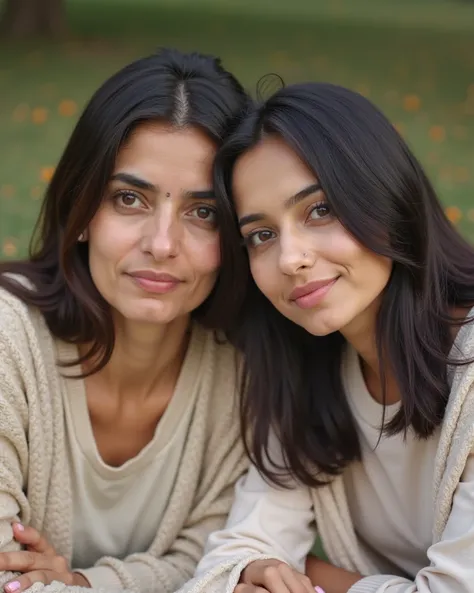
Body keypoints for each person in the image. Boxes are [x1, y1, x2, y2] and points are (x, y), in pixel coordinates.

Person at [181, 81, 474, 593]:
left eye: (320, 210)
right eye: (261, 235)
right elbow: (236, 551)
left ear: (386, 196)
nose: (290, 258)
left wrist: (319, 577)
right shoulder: (307, 367)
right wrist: (247, 578)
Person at [0, 48, 252, 593]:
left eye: (202, 212)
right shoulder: (7, 343)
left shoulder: (244, 374)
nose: (162, 244)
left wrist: (84, 585)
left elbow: (212, 561)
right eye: (129, 198)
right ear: (82, 209)